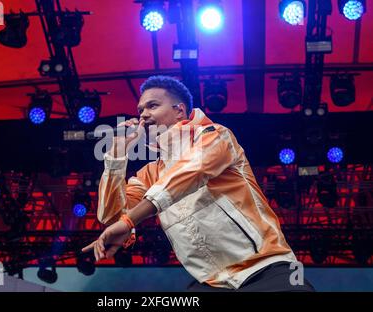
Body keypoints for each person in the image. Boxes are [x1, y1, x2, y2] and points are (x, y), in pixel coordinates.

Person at [82, 75, 314, 292]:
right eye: (140, 109)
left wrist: (129, 220)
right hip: (211, 282)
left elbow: (192, 171)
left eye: (152, 106)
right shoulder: (149, 174)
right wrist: (116, 158)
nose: (142, 115)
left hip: (267, 269)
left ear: (179, 110)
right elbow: (112, 218)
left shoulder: (215, 135)